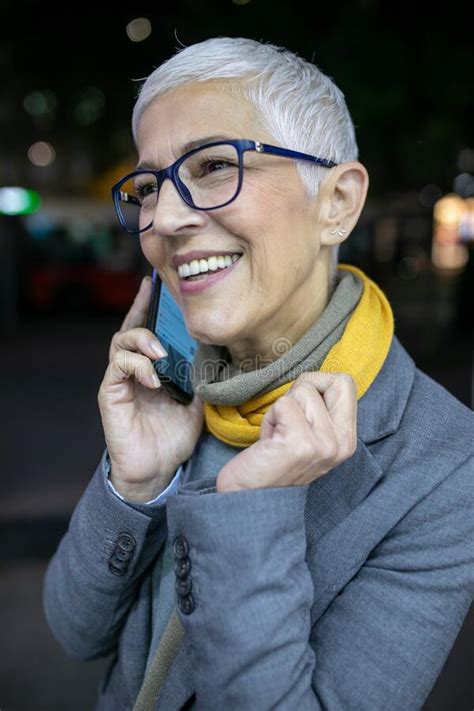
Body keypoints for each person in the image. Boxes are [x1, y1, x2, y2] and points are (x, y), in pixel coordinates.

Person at [43, 37, 474, 711]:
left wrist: (249, 511)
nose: (166, 219)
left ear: (337, 202)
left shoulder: (447, 464)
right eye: (151, 186)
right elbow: (73, 630)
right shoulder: (177, 383)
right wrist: (134, 484)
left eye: (214, 165)